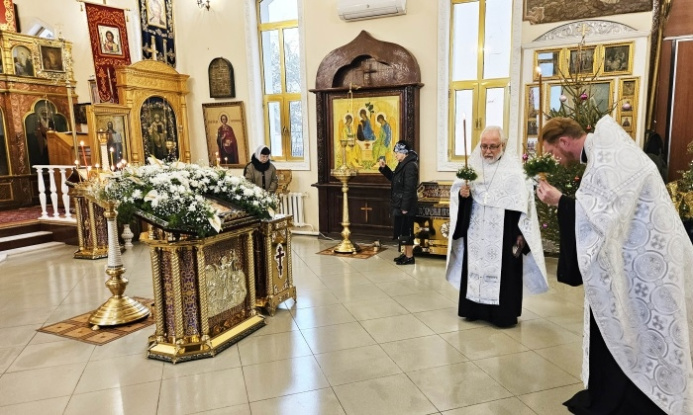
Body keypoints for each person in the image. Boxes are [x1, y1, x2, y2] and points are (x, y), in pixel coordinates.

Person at [536, 116, 693, 415]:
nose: (555, 158)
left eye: (554, 151)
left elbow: (602, 218)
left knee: (637, 329)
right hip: (635, 259)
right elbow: (605, 211)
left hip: (643, 267)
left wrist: (560, 202)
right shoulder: (603, 153)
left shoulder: (608, 157)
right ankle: (615, 390)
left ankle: (633, 399)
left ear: (565, 142)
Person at [444, 126, 548, 328]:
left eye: (493, 146)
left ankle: (502, 314)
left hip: (504, 234)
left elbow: (523, 203)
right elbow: (458, 194)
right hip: (476, 233)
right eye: (484, 147)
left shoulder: (514, 171)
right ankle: (473, 309)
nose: (488, 151)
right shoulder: (471, 168)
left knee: (505, 272)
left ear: (503, 145)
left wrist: (520, 234)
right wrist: (462, 196)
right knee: (475, 269)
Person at [378, 140, 418, 265]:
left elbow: (409, 189)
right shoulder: (403, 164)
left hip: (406, 205)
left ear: (404, 153)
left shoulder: (410, 166)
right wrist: (384, 168)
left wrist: (405, 207)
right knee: (403, 230)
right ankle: (405, 254)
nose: (395, 155)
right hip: (400, 204)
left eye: (397, 153)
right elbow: (394, 178)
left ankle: (410, 256)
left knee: (407, 231)